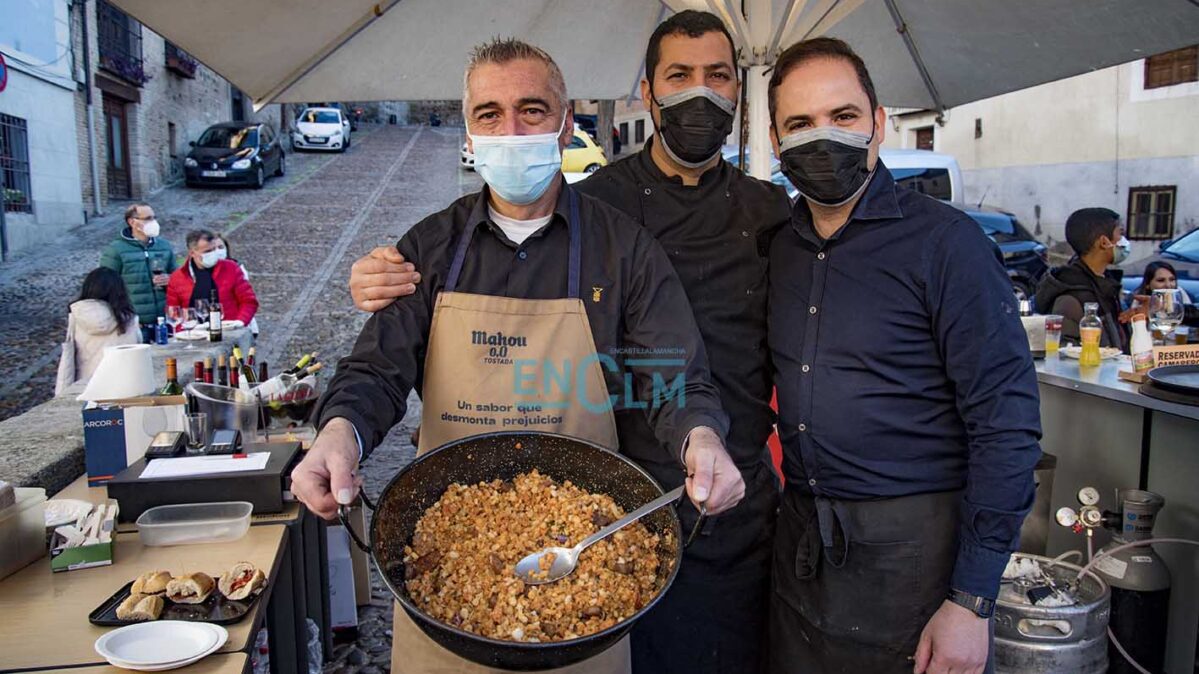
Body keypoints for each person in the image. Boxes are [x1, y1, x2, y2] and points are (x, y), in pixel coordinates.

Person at [346, 12, 790, 674]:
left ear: (564, 123)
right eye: (490, 115)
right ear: (469, 130)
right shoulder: (430, 247)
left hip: (588, 547)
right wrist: (339, 434)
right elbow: (375, 370)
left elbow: (670, 373)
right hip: (447, 565)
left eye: (532, 111)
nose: (512, 131)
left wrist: (700, 437)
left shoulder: (622, 245)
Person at [766, 38, 1041, 674]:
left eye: (843, 117)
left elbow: (1006, 425)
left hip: (914, 560)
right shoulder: (779, 247)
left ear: (879, 124)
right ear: (777, 145)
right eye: (800, 124)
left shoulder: (947, 245)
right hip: (801, 547)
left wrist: (971, 601)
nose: (823, 138)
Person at [1034, 208, 1130, 351]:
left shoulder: (1104, 284)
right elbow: (1066, 354)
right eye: (1120, 234)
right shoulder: (1071, 295)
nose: (1124, 241)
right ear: (1104, 242)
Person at [55, 267, 141, 394]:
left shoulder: (78, 316)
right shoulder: (128, 319)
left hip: (85, 386)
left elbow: (68, 358)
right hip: (122, 386)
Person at [99, 203, 177, 342]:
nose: (152, 222)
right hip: (135, 323)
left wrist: (170, 279)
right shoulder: (116, 249)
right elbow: (106, 285)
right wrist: (122, 317)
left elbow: (178, 276)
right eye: (147, 218)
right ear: (132, 222)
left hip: (164, 320)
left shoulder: (164, 246)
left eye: (154, 218)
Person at [166, 229, 259, 326]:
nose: (214, 253)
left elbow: (248, 301)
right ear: (192, 253)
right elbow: (174, 312)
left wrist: (240, 322)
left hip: (229, 329)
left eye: (214, 249)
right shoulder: (177, 278)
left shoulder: (231, 268)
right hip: (195, 333)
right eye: (208, 251)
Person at [214, 234, 260, 339]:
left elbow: (248, 300)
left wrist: (240, 321)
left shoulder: (236, 269)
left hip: (236, 325)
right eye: (213, 248)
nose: (217, 251)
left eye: (220, 247)